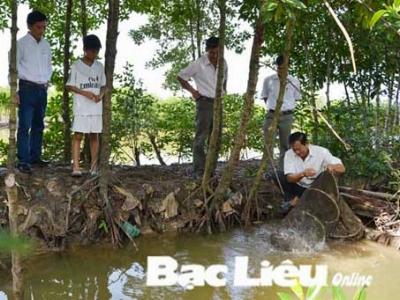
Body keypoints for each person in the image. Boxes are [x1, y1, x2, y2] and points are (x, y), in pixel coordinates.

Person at [177, 36, 228, 178]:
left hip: (218, 103)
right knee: (201, 137)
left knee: (216, 138)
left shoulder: (223, 63)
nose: (215, 56)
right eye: (212, 53)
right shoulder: (198, 64)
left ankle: (211, 169)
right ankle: (199, 170)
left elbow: (224, 80)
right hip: (204, 103)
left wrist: (223, 92)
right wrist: (193, 92)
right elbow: (181, 76)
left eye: (218, 52)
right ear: (207, 51)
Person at [16, 11, 52, 174]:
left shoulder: (46, 45)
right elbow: (13, 68)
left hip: (42, 89)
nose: (42, 30)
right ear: (30, 26)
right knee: (25, 125)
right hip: (26, 88)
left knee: (39, 124)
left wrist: (47, 80)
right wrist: (14, 92)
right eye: (39, 27)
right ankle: (23, 160)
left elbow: (49, 66)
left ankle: (35, 157)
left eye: (44, 27)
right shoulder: (21, 44)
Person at [66, 34, 106, 177]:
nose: (94, 54)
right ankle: (76, 166)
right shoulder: (76, 65)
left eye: (97, 52)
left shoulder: (99, 66)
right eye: (92, 51)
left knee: (94, 135)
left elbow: (103, 86)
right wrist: (85, 93)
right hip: (81, 106)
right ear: (85, 50)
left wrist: (100, 96)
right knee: (78, 135)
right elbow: (70, 86)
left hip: (95, 107)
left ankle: (94, 167)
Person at [280, 132, 345, 209]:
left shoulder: (321, 152)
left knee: (325, 176)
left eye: (299, 149)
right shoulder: (289, 154)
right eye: (294, 150)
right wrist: (303, 174)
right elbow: (289, 178)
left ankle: (296, 200)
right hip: (298, 185)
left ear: (307, 144)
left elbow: (342, 169)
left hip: (316, 186)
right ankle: (294, 198)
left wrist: (332, 167)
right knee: (277, 175)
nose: (297, 152)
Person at [261, 55, 301, 170]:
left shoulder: (294, 81)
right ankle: (268, 170)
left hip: (287, 116)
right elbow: (265, 97)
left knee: (285, 145)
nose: (281, 70)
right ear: (276, 67)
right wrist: (273, 109)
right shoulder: (268, 80)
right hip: (271, 115)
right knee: (268, 144)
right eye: (279, 68)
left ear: (289, 67)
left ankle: (282, 170)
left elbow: (296, 98)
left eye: (284, 68)